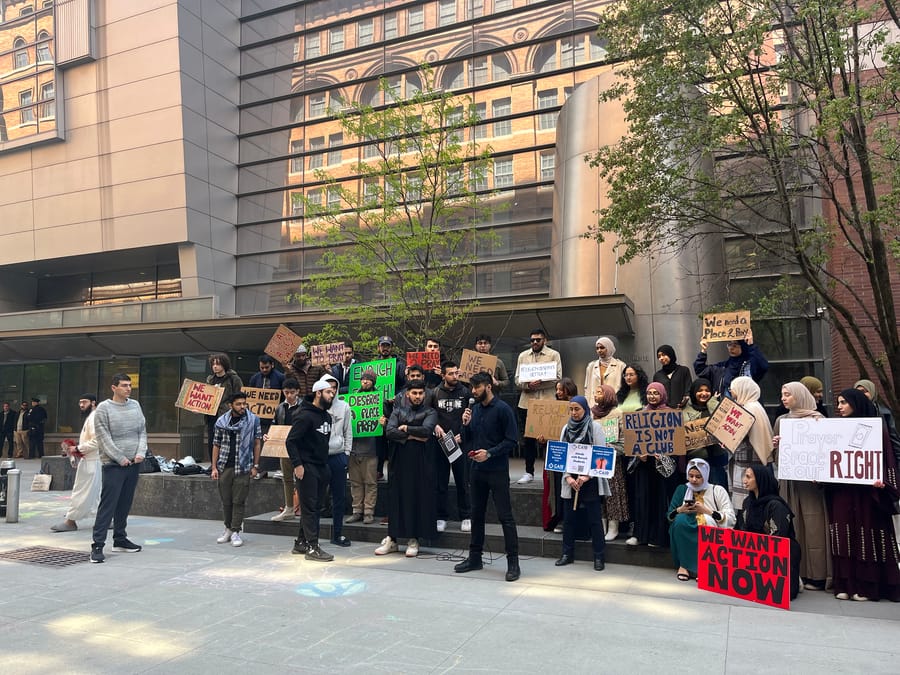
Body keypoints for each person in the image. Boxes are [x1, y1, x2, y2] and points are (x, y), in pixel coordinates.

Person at [827, 389, 900, 602]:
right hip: (843, 490)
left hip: (867, 494)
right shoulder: (836, 429)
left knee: (866, 533)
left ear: (856, 404)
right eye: (838, 402)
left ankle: (867, 586)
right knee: (843, 534)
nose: (839, 407)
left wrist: (884, 483)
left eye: (844, 403)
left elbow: (887, 460)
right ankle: (845, 584)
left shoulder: (876, 429)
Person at [455, 372, 521, 582]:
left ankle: (513, 562)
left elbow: (512, 440)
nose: (473, 391)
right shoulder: (473, 410)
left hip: (497, 470)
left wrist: (490, 453)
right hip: (477, 470)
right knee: (476, 515)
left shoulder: (503, 410)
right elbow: (467, 439)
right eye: (472, 388)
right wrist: (464, 424)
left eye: (477, 387)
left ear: (488, 386)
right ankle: (475, 557)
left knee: (505, 517)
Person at [773, 381, 829, 591]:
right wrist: (777, 444)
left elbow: (827, 450)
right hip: (790, 482)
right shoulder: (781, 420)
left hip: (811, 484)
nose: (784, 398)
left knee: (814, 526)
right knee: (793, 526)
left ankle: (818, 574)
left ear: (799, 395)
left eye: (788, 394)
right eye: (782, 394)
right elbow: (777, 457)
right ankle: (798, 572)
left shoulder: (818, 419)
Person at [375, 380, 438, 557]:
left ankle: (413, 539)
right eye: (414, 393)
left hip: (420, 464)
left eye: (420, 393)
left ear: (424, 394)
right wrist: (411, 436)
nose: (417, 396)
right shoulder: (397, 411)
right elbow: (390, 431)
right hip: (398, 463)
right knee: (395, 499)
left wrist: (407, 428)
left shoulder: (430, 411)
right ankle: (392, 539)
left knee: (416, 499)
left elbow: (427, 431)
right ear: (407, 394)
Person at [90, 374, 147, 564]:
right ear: (113, 388)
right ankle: (97, 546)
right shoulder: (103, 409)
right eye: (124, 385)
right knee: (108, 505)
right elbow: (103, 438)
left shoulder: (135, 405)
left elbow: (142, 431)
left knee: (125, 503)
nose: (128, 389)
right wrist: (121, 458)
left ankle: (120, 539)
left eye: (130, 385)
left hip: (134, 464)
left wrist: (140, 452)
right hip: (114, 465)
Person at [554, 396, 611, 571]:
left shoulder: (595, 428)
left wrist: (587, 476)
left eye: (577, 409)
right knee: (569, 519)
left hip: (590, 481)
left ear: (585, 409)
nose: (574, 413)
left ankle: (599, 556)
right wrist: (569, 478)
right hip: (571, 481)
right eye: (571, 409)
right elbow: (561, 456)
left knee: (594, 520)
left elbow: (601, 455)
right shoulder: (566, 429)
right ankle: (567, 553)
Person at [286, 379, 335, 562]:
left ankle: (301, 542)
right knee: (309, 508)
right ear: (318, 393)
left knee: (314, 507)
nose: (332, 395)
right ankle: (312, 547)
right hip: (307, 467)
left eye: (333, 392)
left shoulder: (327, 417)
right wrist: (298, 465)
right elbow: (291, 441)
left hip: (322, 466)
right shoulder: (304, 415)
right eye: (329, 392)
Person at [736, 464, 801, 601]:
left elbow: (779, 538)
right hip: (755, 552)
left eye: (748, 477)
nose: (744, 481)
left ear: (760, 480)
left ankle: (793, 577)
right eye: (744, 476)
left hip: (777, 554)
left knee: (779, 593)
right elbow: (742, 530)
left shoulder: (776, 506)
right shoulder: (748, 502)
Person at [626, 382, 678, 547]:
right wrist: (638, 455)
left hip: (661, 467)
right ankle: (640, 535)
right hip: (644, 466)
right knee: (642, 499)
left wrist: (662, 455)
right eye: (649, 393)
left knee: (658, 500)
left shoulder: (670, 415)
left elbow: (675, 443)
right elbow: (632, 441)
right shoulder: (640, 414)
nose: (652, 396)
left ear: (662, 394)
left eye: (656, 393)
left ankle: (657, 537)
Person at [667, 458, 735, 580]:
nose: (694, 480)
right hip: (685, 524)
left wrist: (707, 511)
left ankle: (705, 566)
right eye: (691, 476)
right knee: (680, 522)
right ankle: (684, 565)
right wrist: (680, 510)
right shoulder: (682, 489)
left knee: (706, 522)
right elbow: (669, 516)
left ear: (706, 475)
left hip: (710, 523)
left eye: (698, 476)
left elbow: (731, 518)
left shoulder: (717, 490)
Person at [211, 391, 262, 547]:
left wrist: (256, 466)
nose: (242, 407)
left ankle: (236, 532)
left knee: (238, 501)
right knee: (226, 500)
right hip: (224, 465)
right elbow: (216, 444)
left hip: (244, 465)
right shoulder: (221, 421)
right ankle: (227, 528)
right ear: (230, 405)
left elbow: (257, 443)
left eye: (244, 403)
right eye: (239, 404)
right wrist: (213, 467)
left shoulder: (253, 420)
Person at [514, 328, 562, 484]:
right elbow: (517, 380)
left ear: (545, 340)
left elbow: (557, 377)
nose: (535, 342)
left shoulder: (553, 355)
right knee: (528, 439)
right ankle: (529, 472)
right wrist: (528, 385)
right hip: (527, 403)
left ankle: (551, 472)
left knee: (549, 438)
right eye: (532, 340)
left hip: (547, 402)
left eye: (538, 340)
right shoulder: (523, 356)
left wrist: (540, 382)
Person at [432, 360, 472, 533]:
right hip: (441, 443)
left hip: (459, 443)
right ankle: (441, 516)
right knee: (440, 482)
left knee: (462, 481)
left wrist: (462, 435)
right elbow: (429, 413)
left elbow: (471, 416)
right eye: (451, 374)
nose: (455, 376)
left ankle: (466, 516)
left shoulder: (465, 392)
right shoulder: (434, 392)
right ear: (443, 375)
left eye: (457, 373)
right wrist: (435, 425)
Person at [50, 394, 99, 533]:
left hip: (93, 461)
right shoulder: (92, 417)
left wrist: (77, 448)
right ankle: (106, 519)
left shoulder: (95, 417)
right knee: (96, 493)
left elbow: (97, 441)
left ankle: (71, 521)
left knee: (81, 492)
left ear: (93, 403)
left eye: (84, 402)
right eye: (80, 402)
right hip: (90, 460)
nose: (81, 405)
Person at [728, 376, 774, 509]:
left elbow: (742, 434)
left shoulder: (749, 408)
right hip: (750, 460)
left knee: (746, 503)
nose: (731, 391)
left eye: (733, 388)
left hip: (748, 462)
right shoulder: (754, 406)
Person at [346, 370, 384, 525]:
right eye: (363, 379)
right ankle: (357, 511)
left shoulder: (380, 399)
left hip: (371, 449)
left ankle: (369, 512)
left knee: (370, 482)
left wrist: (384, 420)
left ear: (373, 382)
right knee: (355, 482)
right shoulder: (352, 398)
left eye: (369, 380)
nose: (365, 382)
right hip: (353, 448)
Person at [592, 384, 628, 541]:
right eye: (595, 392)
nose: (596, 395)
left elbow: (624, 440)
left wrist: (610, 448)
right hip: (595, 459)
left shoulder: (617, 413)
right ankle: (602, 526)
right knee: (599, 494)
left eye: (599, 392)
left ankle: (613, 528)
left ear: (608, 395)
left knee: (613, 493)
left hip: (613, 459)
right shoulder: (592, 414)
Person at [322, 374, 353, 547]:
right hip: (320, 457)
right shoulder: (316, 408)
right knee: (317, 498)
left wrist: (346, 453)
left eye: (334, 387)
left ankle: (338, 533)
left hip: (339, 455)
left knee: (339, 497)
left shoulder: (344, 407)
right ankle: (311, 536)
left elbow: (348, 431)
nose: (332, 391)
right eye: (328, 387)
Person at [682, 379, 728, 489]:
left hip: (716, 458)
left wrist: (711, 403)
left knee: (718, 491)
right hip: (696, 460)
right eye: (700, 391)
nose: (704, 393)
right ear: (693, 392)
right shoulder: (684, 411)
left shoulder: (716, 405)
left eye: (707, 390)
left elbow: (724, 422)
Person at [693, 330, 768, 398]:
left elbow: (762, 366)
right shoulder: (722, 367)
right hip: (726, 409)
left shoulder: (749, 366)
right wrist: (703, 350)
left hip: (747, 409)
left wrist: (751, 345)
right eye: (729, 344)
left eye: (735, 345)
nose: (731, 348)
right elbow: (700, 370)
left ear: (743, 346)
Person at [269, 378, 302, 521]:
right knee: (287, 478)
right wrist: (270, 436)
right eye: (286, 392)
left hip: (301, 448)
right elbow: (275, 424)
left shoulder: (304, 406)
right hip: (283, 446)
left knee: (302, 478)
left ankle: (302, 507)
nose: (289, 395)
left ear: (298, 392)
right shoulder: (280, 408)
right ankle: (289, 508)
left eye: (292, 392)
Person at [205, 353, 243, 462]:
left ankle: (225, 464)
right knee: (212, 440)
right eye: (213, 364)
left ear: (224, 365)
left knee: (225, 440)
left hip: (226, 415)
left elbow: (239, 396)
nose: (215, 366)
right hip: (211, 415)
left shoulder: (233, 379)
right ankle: (213, 465)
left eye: (218, 364)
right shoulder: (210, 379)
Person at [855, 378, 900, 465]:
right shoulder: (851, 413)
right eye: (858, 392)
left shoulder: (884, 413)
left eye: (864, 391)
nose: (861, 395)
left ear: (872, 392)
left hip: (880, 460)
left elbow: (893, 439)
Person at [652, 344, 693, 409]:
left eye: (663, 355)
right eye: (659, 356)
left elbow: (688, 389)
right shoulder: (657, 375)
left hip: (683, 409)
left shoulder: (684, 370)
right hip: (664, 412)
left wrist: (685, 400)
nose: (661, 358)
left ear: (670, 354)